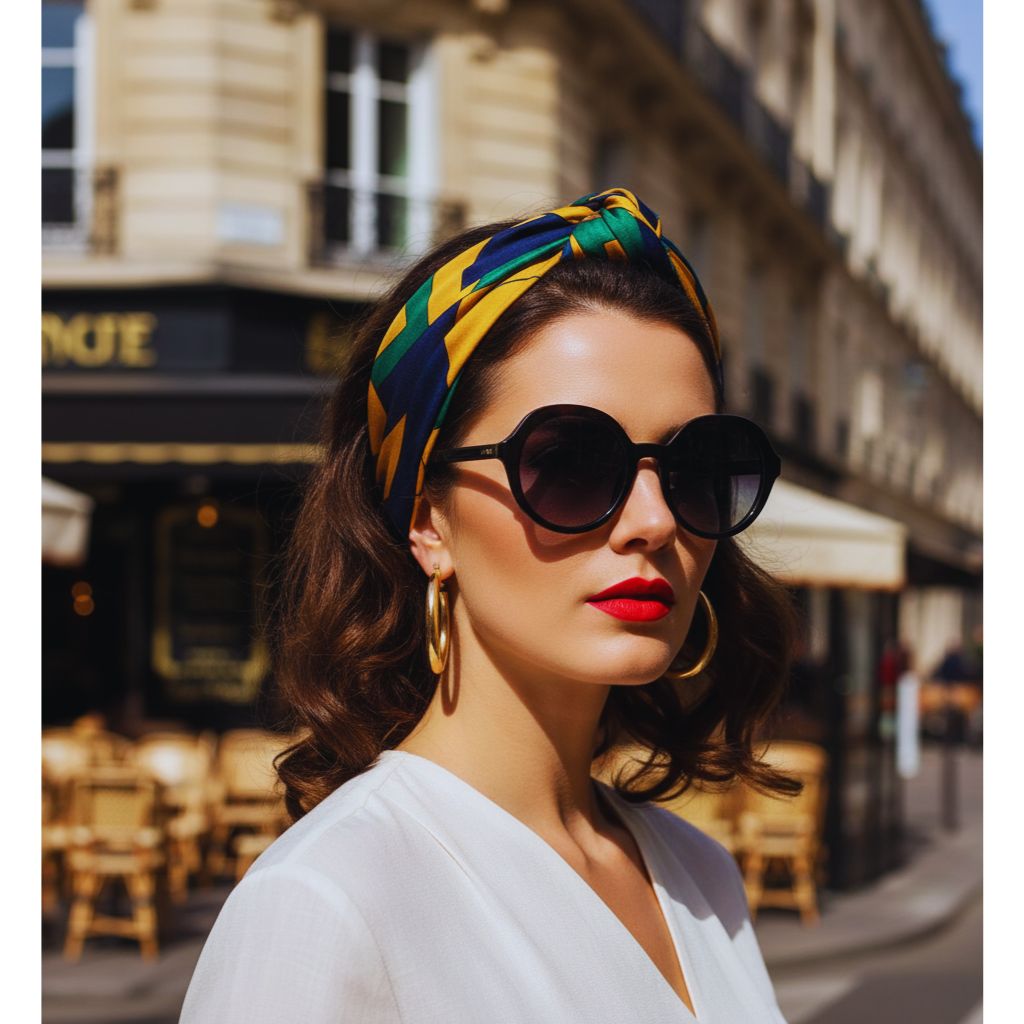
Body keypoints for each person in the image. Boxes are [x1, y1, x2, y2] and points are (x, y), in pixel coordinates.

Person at [180, 188, 799, 1023]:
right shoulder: (329, 902)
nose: (654, 521)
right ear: (428, 520)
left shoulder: (701, 875)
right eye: (573, 462)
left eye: (694, 468)